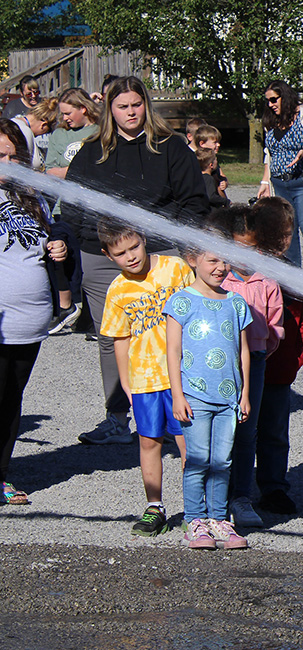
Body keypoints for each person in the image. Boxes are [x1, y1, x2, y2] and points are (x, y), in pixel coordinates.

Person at [64, 75, 208, 445]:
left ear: (147, 104)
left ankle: (183, 407)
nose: (131, 112)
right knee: (112, 337)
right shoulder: (92, 150)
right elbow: (73, 202)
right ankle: (116, 418)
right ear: (109, 110)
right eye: (122, 106)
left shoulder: (172, 148)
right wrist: (86, 239)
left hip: (160, 253)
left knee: (170, 332)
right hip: (100, 256)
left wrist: (179, 244)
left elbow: (193, 202)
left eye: (137, 104)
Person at [99, 221, 194, 536]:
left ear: (144, 239)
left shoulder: (176, 269)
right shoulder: (118, 289)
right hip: (144, 380)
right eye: (120, 253)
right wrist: (126, 382)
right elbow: (120, 338)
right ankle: (155, 506)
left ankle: (196, 508)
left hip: (181, 377)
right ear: (108, 255)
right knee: (149, 441)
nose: (130, 257)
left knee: (187, 442)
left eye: (134, 247)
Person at [164, 234, 253, 550]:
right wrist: (177, 395)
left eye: (225, 260)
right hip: (195, 396)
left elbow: (243, 351)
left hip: (228, 398)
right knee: (198, 459)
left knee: (223, 460)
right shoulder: (181, 301)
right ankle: (195, 520)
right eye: (212, 260)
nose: (220, 267)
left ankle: (218, 519)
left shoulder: (236, 303)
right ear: (193, 259)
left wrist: (243, 395)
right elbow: (172, 351)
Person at [0, 119, 67, 506]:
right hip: (0, 320)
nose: (7, 163)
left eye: (13, 156)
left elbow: (45, 239)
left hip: (29, 320)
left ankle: (2, 475)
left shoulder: (31, 197)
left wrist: (57, 246)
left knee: (11, 401)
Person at [211, 205, 286, 527]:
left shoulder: (268, 281)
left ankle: (241, 497)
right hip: (216, 363)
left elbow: (275, 329)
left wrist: (257, 354)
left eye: (252, 248)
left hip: (253, 363)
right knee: (216, 430)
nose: (244, 256)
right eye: (236, 248)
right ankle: (214, 498)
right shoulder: (217, 280)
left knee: (246, 432)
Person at [250, 197, 303, 516]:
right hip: (243, 371)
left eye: (288, 233)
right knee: (242, 430)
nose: (285, 240)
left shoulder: (292, 274)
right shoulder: (242, 270)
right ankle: (236, 490)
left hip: (278, 372)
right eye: (279, 233)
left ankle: (273, 488)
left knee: (275, 433)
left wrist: (295, 359)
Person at [257, 80, 303, 277]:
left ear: (285, 96)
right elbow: (269, 154)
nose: (271, 104)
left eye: (274, 99)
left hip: (302, 181)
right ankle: (293, 275)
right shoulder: (271, 119)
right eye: (268, 101)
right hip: (279, 183)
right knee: (287, 230)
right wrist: (265, 182)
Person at [44, 88, 102, 335]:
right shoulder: (58, 135)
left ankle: (91, 319)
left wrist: (68, 171)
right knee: (62, 259)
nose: (65, 118)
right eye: (62, 114)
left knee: (91, 262)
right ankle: (66, 308)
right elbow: (49, 171)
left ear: (84, 109)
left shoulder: (99, 132)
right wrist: (80, 172)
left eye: (68, 113)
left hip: (93, 207)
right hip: (64, 206)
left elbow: (100, 170)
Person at [10, 97, 58, 170]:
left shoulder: (11, 123)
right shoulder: (25, 131)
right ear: (44, 125)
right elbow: (27, 164)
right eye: (48, 131)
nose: (41, 135)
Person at [195, 125, 229, 201]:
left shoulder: (213, 159)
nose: (218, 145)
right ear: (202, 144)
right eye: (215, 142)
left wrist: (225, 182)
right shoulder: (197, 160)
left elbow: (222, 176)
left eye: (218, 142)